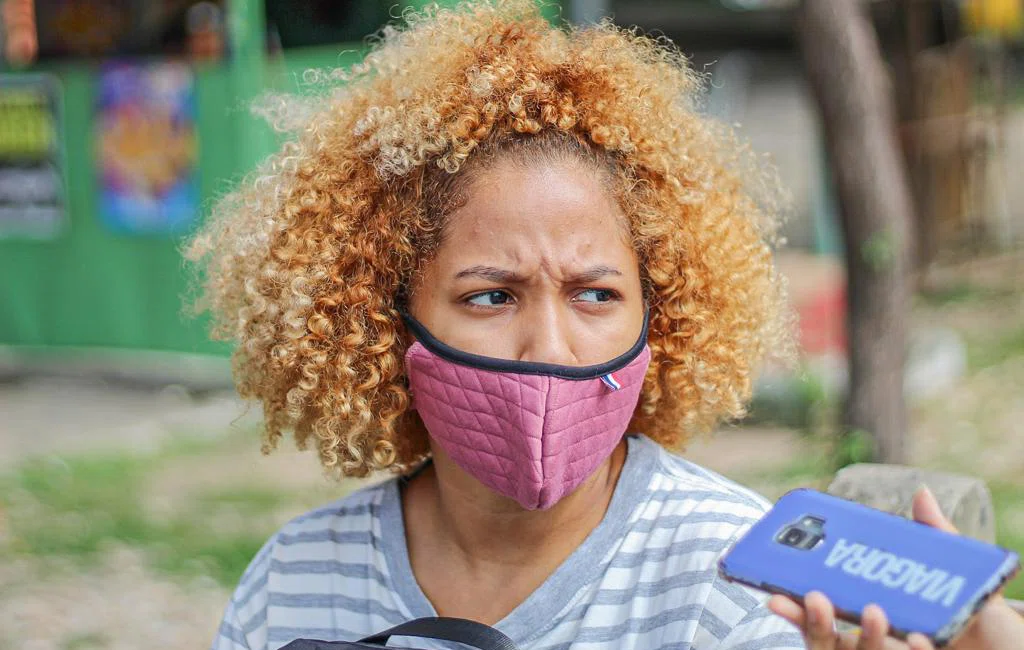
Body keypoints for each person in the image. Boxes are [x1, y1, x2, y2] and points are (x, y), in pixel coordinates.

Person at [186, 2, 1024, 649]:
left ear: (663, 310)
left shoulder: (742, 587)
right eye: (490, 296)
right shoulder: (293, 582)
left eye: (595, 295)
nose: (550, 348)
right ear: (384, 316)